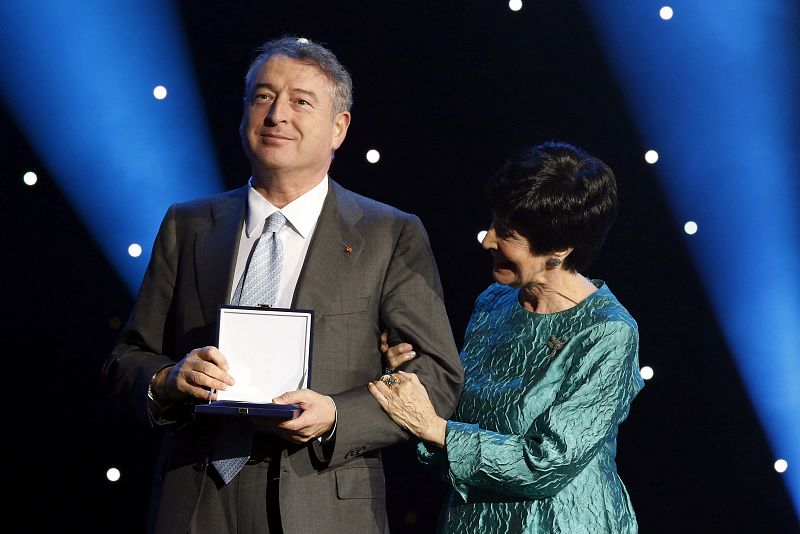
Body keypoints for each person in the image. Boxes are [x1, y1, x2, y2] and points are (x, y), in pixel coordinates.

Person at [103, 35, 464, 534]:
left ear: (339, 128)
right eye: (263, 96)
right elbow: (128, 358)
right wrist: (169, 380)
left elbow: (439, 375)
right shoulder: (188, 225)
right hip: (197, 497)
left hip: (324, 497)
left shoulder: (389, 233)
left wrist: (338, 415)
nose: (276, 115)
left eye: (300, 101)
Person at [369, 141, 644, 533]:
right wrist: (415, 378)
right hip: (473, 520)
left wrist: (434, 428)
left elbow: (545, 463)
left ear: (560, 249)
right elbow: (457, 416)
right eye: (494, 222)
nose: (487, 240)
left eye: (507, 233)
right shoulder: (495, 300)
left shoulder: (607, 332)